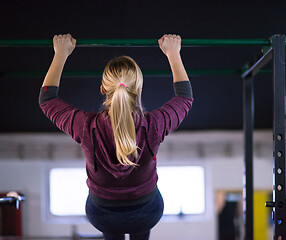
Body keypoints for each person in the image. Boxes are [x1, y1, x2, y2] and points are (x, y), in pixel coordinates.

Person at [39, 33, 193, 240]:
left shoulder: (85, 126)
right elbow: (184, 98)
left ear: (103, 89)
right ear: (138, 90)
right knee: (141, 227)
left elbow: (47, 100)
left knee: (111, 229)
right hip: (147, 211)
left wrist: (61, 54)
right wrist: (173, 53)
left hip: (102, 212)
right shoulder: (153, 125)